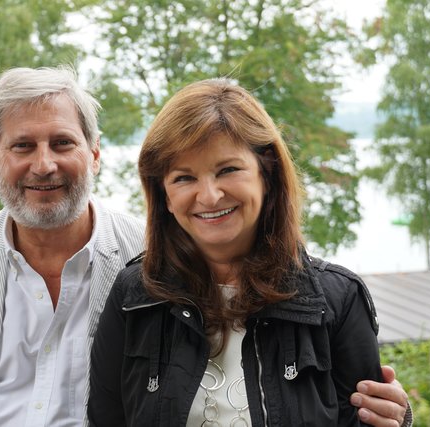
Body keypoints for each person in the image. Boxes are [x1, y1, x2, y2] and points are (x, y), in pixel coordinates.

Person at [0, 66, 409, 426]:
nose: (43, 163)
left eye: (62, 143)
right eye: (22, 146)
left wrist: (395, 416)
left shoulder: (149, 271)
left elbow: (359, 403)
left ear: (94, 155)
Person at [88, 78, 413, 426]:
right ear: (164, 196)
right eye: (184, 178)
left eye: (228, 170)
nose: (210, 196)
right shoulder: (135, 296)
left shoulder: (337, 301)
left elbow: (372, 419)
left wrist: (398, 420)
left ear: (267, 174)